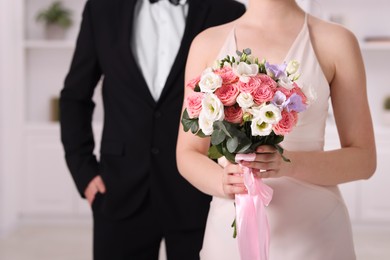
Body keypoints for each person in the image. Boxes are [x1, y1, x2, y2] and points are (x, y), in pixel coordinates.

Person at [176, 0, 377, 259]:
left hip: (316, 237)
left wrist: (288, 164)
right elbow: (187, 153)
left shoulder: (336, 41)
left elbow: (364, 160)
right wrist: (223, 182)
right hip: (230, 233)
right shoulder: (206, 43)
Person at [59, 0, 246, 259]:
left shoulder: (226, 11)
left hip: (198, 193)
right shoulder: (102, 8)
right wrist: (83, 172)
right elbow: (74, 98)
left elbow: (243, 98)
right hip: (118, 190)